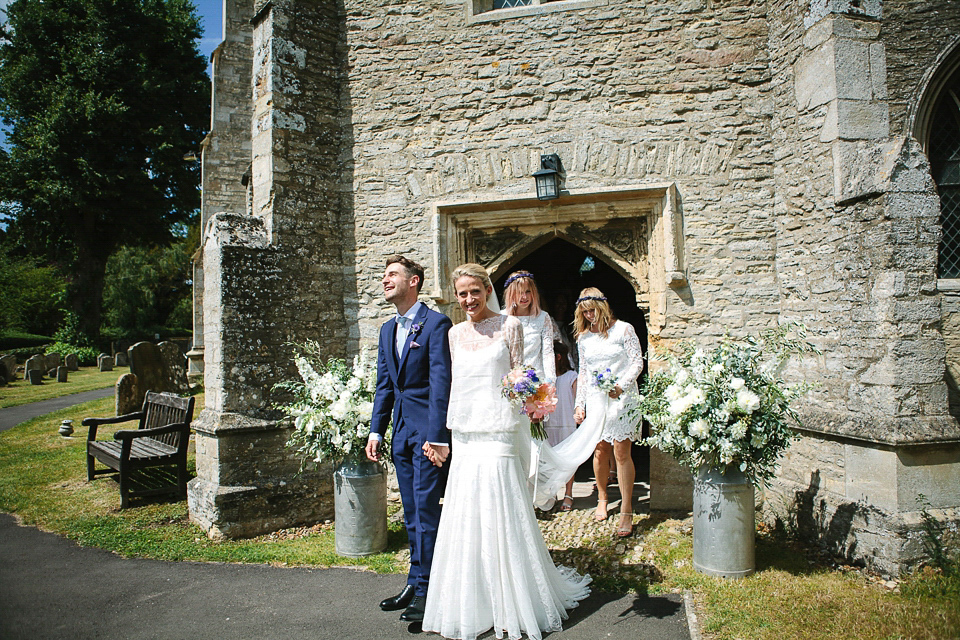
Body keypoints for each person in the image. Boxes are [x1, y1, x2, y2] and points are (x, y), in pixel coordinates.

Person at [422, 264, 590, 640]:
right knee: (466, 510)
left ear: (487, 291)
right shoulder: (453, 334)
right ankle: (471, 601)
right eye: (462, 293)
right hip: (466, 430)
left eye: (475, 292)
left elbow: (520, 374)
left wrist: (534, 405)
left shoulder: (509, 326)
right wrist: (441, 436)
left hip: (499, 428)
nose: (468, 300)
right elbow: (452, 385)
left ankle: (511, 600)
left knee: (500, 504)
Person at [367, 255, 453, 623]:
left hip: (427, 437)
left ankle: (429, 589)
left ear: (414, 281)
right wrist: (376, 429)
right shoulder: (387, 329)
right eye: (384, 275)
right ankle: (415, 581)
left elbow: (441, 384)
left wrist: (437, 437)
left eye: (392, 275)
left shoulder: (436, 324)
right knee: (412, 513)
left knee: (427, 513)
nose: (385, 281)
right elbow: (385, 385)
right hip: (400, 435)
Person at [572, 287, 643, 538]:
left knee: (622, 451)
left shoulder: (624, 329)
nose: (590, 315)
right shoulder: (583, 338)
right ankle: (602, 497)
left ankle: (626, 507)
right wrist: (579, 404)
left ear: (603, 306)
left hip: (622, 397)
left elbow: (637, 361)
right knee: (600, 449)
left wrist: (620, 386)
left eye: (592, 310)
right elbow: (584, 373)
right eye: (585, 312)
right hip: (596, 398)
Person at [502, 270, 557, 382]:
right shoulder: (502, 317)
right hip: (510, 381)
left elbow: (548, 352)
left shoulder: (543, 317)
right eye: (519, 292)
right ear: (511, 293)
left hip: (537, 380)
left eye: (528, 291)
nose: (524, 297)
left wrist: (551, 380)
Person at [545, 340, 578, 512]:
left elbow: (576, 399)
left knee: (568, 460)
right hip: (549, 424)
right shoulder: (544, 379)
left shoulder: (571, 377)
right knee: (550, 460)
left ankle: (569, 493)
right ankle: (551, 492)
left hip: (566, 424)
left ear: (558, 357)